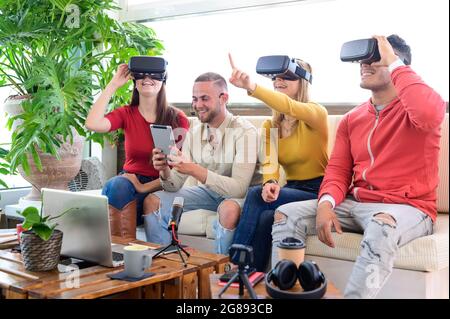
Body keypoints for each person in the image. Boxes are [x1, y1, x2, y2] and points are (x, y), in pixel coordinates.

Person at [271, 35, 446, 298]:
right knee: (286, 213)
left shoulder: (417, 110)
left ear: (397, 64)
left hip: (408, 208)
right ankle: (284, 294)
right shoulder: (352, 119)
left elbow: (430, 113)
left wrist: (394, 62)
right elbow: (338, 171)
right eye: (362, 60)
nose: (364, 64)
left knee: (382, 224)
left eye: (375, 59)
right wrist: (325, 204)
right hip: (357, 203)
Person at [228, 54, 329, 271]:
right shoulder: (270, 126)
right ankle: (253, 275)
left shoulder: (316, 114)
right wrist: (269, 183)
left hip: (318, 190)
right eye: (275, 77)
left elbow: (290, 107)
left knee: (254, 195)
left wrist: (251, 86)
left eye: (287, 77)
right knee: (266, 216)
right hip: (291, 189)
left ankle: (236, 264)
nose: (278, 81)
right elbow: (270, 165)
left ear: (302, 82)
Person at [142, 72, 261, 254]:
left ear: (224, 98)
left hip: (241, 197)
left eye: (204, 98)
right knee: (153, 201)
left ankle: (222, 271)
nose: (198, 105)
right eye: (195, 99)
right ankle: (166, 267)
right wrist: (165, 169)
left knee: (228, 209)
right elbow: (174, 186)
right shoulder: (194, 133)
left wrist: (195, 170)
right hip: (210, 193)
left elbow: (239, 189)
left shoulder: (245, 132)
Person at [85, 62, 189, 239]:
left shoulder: (177, 118)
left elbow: (178, 170)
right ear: (135, 81)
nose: (147, 79)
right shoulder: (126, 114)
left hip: (162, 185)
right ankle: (120, 254)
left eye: (154, 75)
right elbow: (92, 123)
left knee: (120, 188)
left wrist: (142, 187)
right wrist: (113, 85)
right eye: (142, 75)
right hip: (128, 185)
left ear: (163, 80)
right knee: (117, 185)